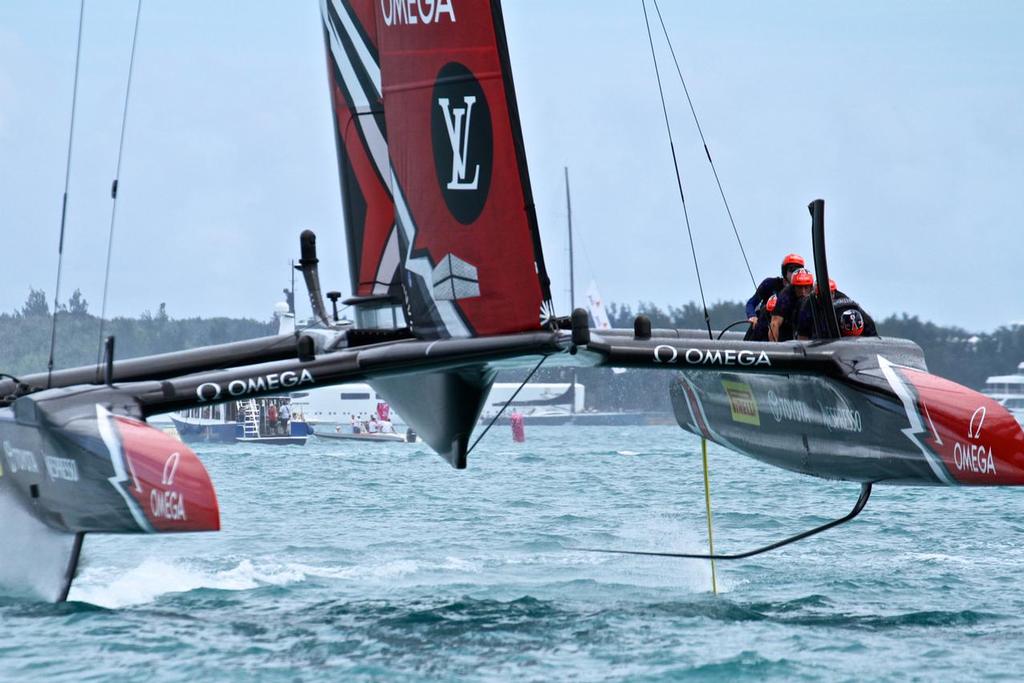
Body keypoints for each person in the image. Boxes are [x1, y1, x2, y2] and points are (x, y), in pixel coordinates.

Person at [744, 253, 805, 340]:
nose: (794, 273)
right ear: (784, 271)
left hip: (786, 333)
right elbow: (751, 303)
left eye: (798, 270)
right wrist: (752, 316)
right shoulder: (769, 284)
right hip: (762, 328)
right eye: (791, 269)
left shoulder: (801, 291)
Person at [770, 269, 814, 342]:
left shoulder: (815, 294)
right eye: (799, 288)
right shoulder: (785, 296)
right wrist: (774, 347)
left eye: (806, 287)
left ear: (811, 287)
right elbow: (774, 323)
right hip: (787, 328)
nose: (803, 292)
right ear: (794, 287)